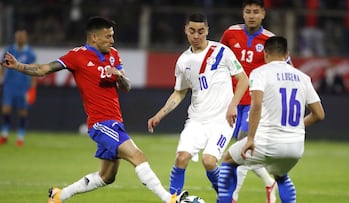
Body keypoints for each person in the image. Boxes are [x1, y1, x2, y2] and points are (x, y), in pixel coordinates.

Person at [0, 16, 187, 203]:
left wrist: (120, 77)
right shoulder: (77, 56)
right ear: (94, 37)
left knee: (107, 177)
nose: (112, 40)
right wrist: (17, 66)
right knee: (138, 155)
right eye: (108, 36)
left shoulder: (113, 54)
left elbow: (126, 87)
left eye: (112, 36)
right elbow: (43, 69)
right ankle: (169, 199)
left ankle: (59, 195)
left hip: (116, 122)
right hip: (100, 123)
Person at [147, 13, 249, 197]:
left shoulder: (221, 51)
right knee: (181, 158)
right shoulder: (183, 61)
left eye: (201, 31)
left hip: (222, 121)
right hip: (196, 121)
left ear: (207, 31)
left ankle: (224, 196)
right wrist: (159, 115)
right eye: (192, 31)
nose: (196, 36)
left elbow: (243, 80)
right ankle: (173, 200)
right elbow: (179, 92)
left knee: (209, 161)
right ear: (186, 30)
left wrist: (233, 105)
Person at [217, 36, 325, 203]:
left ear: (266, 54)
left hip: (268, 142)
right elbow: (319, 114)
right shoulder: (303, 77)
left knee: (228, 159)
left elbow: (256, 105)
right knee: (281, 175)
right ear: (287, 54)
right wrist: (297, 127)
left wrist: (251, 138)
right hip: (295, 147)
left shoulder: (260, 73)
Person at [220, 0, 278, 202]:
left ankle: (233, 196)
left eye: (256, 12)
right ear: (243, 13)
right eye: (248, 11)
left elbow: (283, 67)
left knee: (242, 145)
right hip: (233, 101)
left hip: (256, 102)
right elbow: (220, 61)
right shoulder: (230, 34)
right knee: (241, 147)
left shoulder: (270, 39)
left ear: (263, 14)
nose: (251, 15)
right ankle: (269, 181)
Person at [0, 29, 37, 147]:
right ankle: (5, 135)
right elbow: (2, 68)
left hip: (24, 87)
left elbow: (34, 70)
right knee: (6, 109)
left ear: (26, 38)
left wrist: (32, 89)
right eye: (18, 36)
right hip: (9, 86)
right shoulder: (9, 50)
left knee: (22, 112)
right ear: (15, 38)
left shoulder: (30, 54)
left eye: (22, 36)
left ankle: (20, 137)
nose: (20, 38)